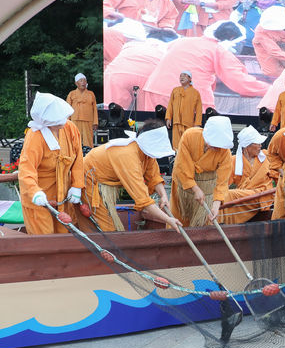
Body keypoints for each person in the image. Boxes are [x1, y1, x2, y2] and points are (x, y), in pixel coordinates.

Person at [142, 20, 269, 112]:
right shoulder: (218, 51)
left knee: (154, 132)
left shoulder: (182, 41)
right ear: (232, 38)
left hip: (155, 90)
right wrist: (269, 90)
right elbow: (239, 82)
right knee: (194, 136)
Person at [79, 119, 181, 232]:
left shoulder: (146, 153)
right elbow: (144, 201)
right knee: (105, 228)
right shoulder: (128, 156)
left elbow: (154, 177)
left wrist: (164, 196)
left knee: (106, 226)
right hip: (88, 180)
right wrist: (168, 219)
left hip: (101, 181)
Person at [18, 93, 84, 235]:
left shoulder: (70, 128)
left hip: (63, 197)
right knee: (44, 238)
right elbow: (26, 169)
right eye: (57, 121)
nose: (63, 122)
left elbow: (78, 158)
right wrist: (34, 192)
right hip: (40, 199)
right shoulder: (35, 136)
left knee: (65, 237)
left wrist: (77, 185)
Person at [170, 116, 233, 227]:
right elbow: (182, 166)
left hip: (206, 189)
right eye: (213, 143)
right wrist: (195, 188)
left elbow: (222, 182)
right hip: (183, 186)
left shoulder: (225, 153)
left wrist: (216, 205)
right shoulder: (190, 136)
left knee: (203, 222)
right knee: (178, 218)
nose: (216, 147)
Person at [218, 126, 274, 224]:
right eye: (257, 143)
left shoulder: (266, 156)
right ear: (247, 146)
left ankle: (221, 222)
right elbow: (224, 182)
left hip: (263, 195)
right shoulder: (234, 160)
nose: (260, 146)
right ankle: (220, 223)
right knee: (223, 195)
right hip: (244, 198)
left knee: (230, 194)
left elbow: (277, 172)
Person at [171, 0, 241, 37]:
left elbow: (226, 4)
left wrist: (202, 3)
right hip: (197, 21)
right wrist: (184, 0)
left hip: (219, 23)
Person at [103, 0, 178, 29]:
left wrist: (166, 27)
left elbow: (170, 17)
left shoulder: (167, 2)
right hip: (125, 29)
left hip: (150, 34)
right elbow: (105, 5)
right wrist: (112, 13)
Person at [165, 70, 203, 150]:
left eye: (184, 75)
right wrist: (168, 118)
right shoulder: (175, 90)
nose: (181, 77)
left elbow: (199, 110)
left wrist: (197, 124)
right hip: (176, 122)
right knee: (176, 146)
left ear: (190, 79)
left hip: (189, 124)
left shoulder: (195, 93)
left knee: (188, 145)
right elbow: (170, 105)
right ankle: (176, 160)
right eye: (180, 75)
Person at [66, 74, 98, 148]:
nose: (83, 82)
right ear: (76, 83)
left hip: (88, 120)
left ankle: (89, 156)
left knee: (89, 140)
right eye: (81, 80)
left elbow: (94, 109)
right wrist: (67, 121)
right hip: (75, 120)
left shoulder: (91, 94)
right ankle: (75, 156)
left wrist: (95, 122)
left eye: (85, 80)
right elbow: (67, 108)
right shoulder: (71, 94)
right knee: (75, 140)